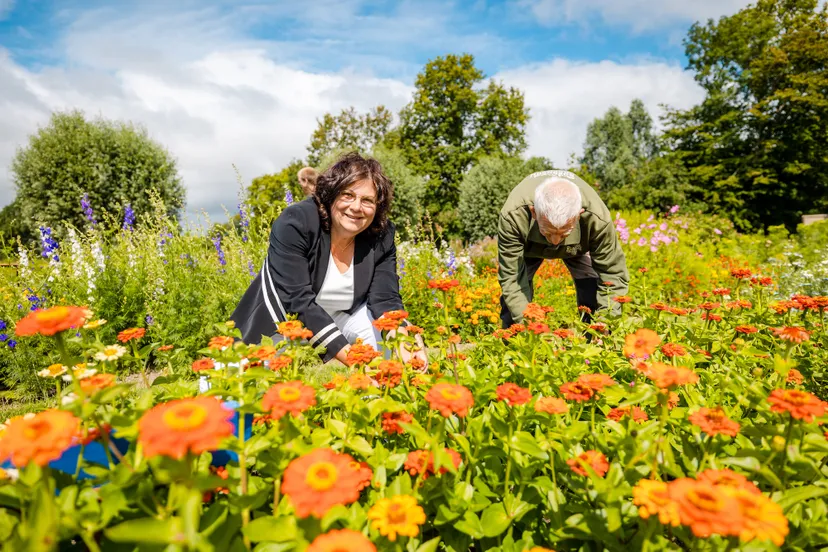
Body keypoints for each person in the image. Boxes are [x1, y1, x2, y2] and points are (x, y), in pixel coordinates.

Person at [231, 152, 427, 366]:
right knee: (235, 381)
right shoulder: (296, 222)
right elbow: (299, 301)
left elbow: (385, 298)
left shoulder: (381, 234)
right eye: (347, 195)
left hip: (343, 316)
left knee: (384, 335)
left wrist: (407, 341)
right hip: (283, 320)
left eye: (367, 200)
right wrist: (355, 361)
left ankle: (381, 385)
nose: (356, 207)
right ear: (331, 194)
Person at [498, 169, 629, 326]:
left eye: (564, 233)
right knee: (514, 300)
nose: (555, 242)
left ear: (579, 215)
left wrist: (605, 322)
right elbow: (511, 277)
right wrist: (526, 325)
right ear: (534, 212)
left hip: (578, 246)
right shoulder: (514, 215)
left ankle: (593, 335)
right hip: (530, 247)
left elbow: (612, 273)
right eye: (548, 232)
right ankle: (511, 336)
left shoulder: (597, 218)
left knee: (592, 286)